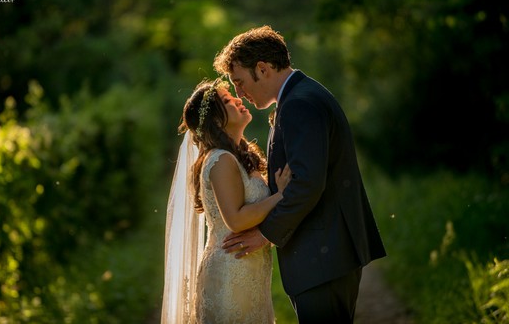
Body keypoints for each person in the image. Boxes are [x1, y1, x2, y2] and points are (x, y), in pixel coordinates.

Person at [214, 25, 387, 323]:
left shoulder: (299, 104)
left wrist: (266, 234)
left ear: (263, 68)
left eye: (240, 82)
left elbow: (307, 184)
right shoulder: (300, 96)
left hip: (323, 256)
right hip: (324, 255)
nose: (239, 93)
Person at [161, 78, 291, 324]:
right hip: (230, 273)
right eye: (227, 101)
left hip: (248, 271)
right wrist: (281, 196)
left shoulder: (240, 156)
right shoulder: (221, 160)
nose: (238, 99)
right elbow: (236, 219)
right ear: (217, 120)